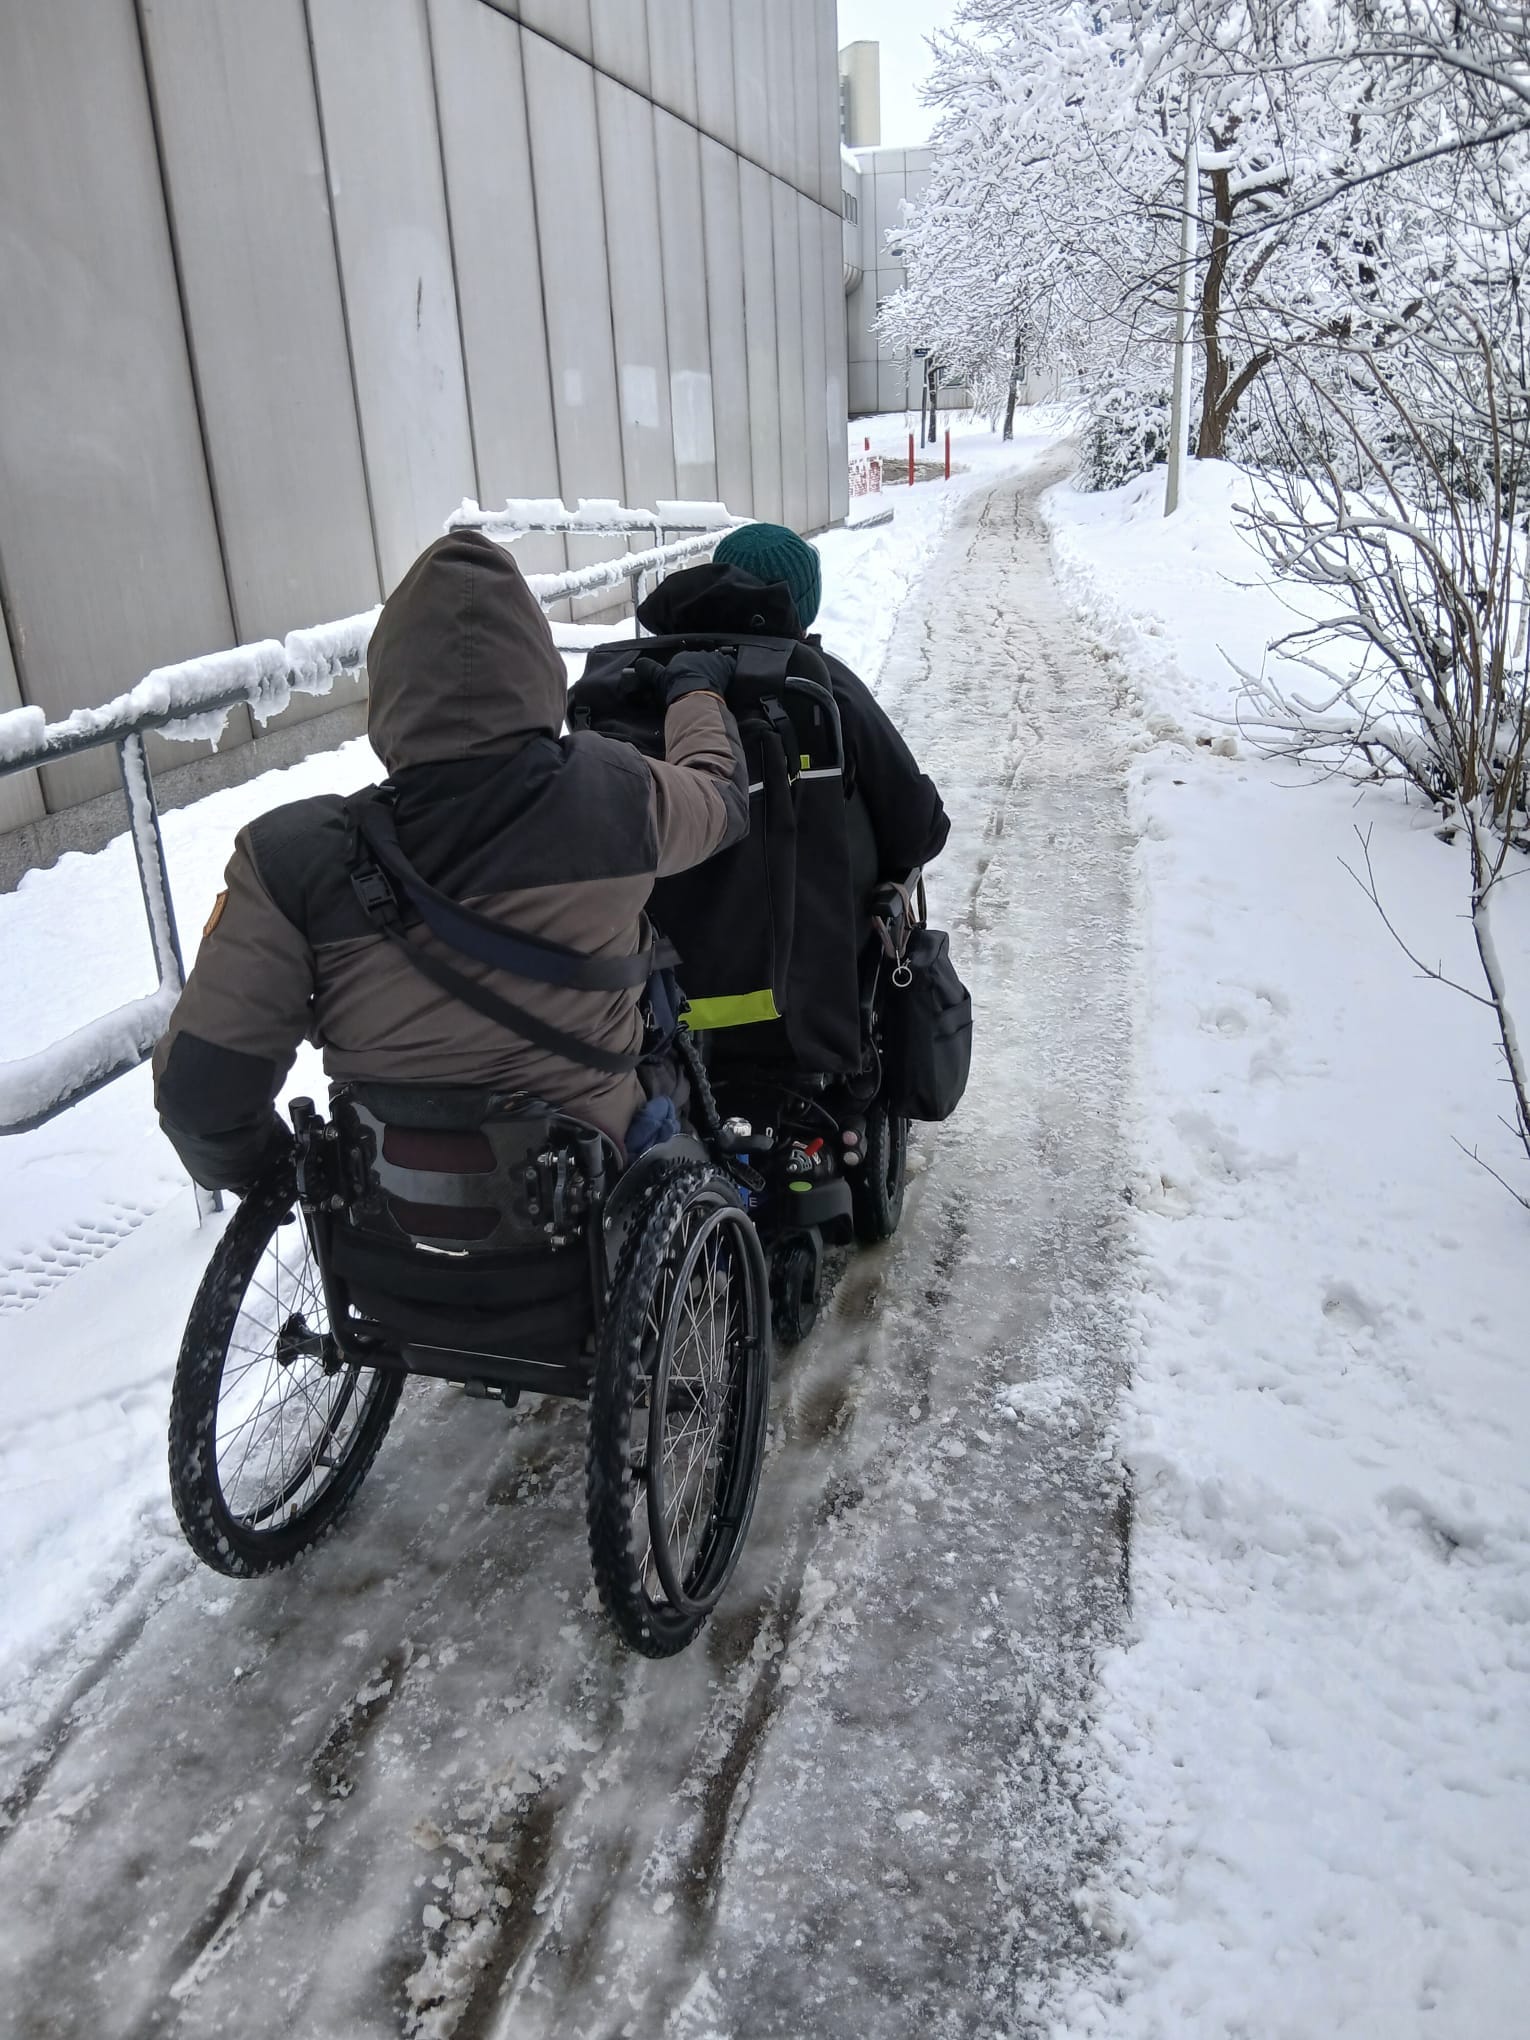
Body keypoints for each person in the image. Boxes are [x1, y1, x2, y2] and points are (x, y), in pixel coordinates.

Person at [152, 530, 748, 1192]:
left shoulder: (288, 861)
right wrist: (697, 695)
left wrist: (281, 1178)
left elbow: (201, 1100)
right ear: (539, 671)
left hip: (388, 1232)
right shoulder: (613, 794)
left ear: (388, 687)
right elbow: (722, 803)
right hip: (593, 1202)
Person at [634, 521, 950, 889]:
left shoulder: (648, 679)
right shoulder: (822, 687)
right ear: (805, 606)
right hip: (814, 931)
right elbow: (920, 830)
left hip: (669, 936)